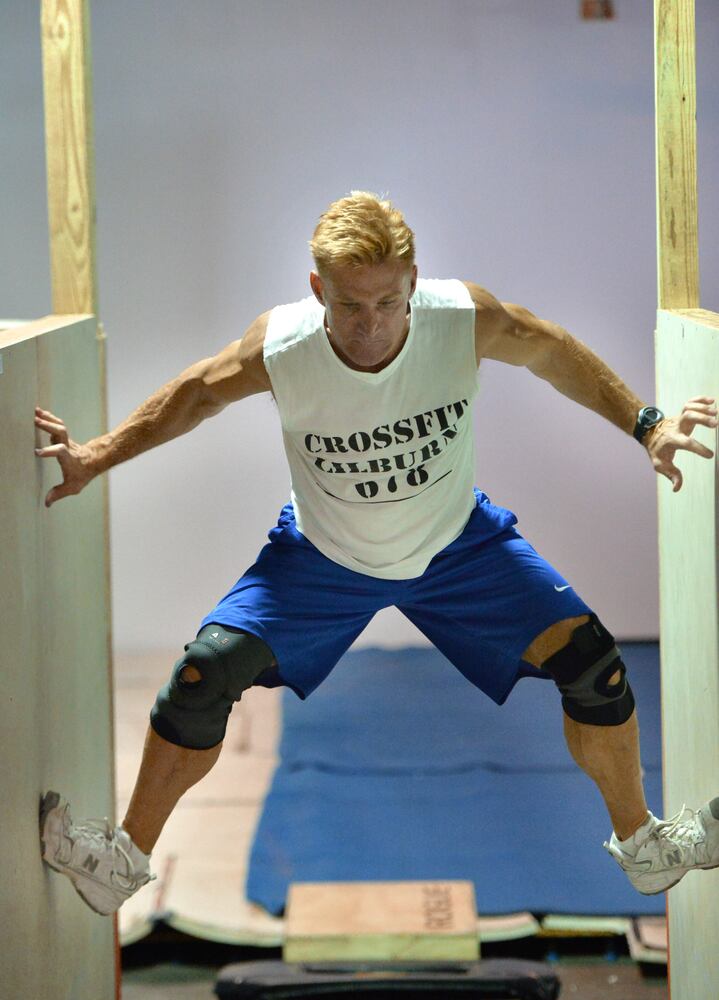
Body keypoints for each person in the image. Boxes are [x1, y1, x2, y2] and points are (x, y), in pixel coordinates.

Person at [38, 191, 719, 916]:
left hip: (457, 545)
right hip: (322, 555)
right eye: (349, 306)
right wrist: (95, 456)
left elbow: (551, 349)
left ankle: (644, 847)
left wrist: (646, 424)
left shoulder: (462, 319)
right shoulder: (282, 348)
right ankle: (121, 864)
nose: (369, 326)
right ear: (317, 290)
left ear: (413, 283)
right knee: (203, 676)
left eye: (388, 303)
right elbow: (193, 396)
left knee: (592, 666)